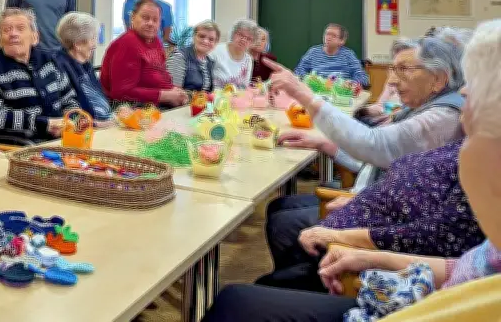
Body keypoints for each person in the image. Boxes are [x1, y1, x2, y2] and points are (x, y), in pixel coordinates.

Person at [199, 19, 501, 322]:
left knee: (245, 290)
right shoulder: (443, 123)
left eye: (405, 69)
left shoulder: (453, 129)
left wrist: (362, 237)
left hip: (385, 277)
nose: (462, 91)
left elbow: (378, 150)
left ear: (439, 79)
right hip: (373, 240)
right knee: (278, 227)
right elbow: (460, 257)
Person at [259, 36, 466, 290]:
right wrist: (325, 144)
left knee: (283, 225)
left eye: (404, 70)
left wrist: (303, 94)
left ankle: (306, 286)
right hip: (371, 206)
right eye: (392, 69)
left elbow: (375, 145)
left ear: (439, 80)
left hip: (378, 224)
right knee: (279, 209)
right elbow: (376, 160)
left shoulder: (442, 118)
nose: (391, 80)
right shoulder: (421, 109)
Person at [0, 8, 80, 143]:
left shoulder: (48, 60)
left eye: (20, 29)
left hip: (61, 141)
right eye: (6, 30)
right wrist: (44, 124)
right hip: (23, 146)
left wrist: (71, 121)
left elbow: (69, 100)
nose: (13, 34)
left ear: (35, 37)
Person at [100, 0, 187, 109]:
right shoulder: (127, 43)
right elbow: (121, 93)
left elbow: (162, 76)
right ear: (132, 18)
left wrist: (174, 91)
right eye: (145, 18)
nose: (150, 23)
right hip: (127, 109)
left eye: (155, 20)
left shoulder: (156, 41)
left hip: (154, 104)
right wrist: (166, 95)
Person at [53, 12, 114, 124]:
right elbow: (70, 111)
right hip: (86, 129)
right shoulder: (59, 66)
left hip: (104, 123)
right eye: (93, 38)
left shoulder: (85, 65)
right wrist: (98, 123)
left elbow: (99, 98)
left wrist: (115, 115)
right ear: (78, 44)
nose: (95, 45)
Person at [294, 23, 369, 86]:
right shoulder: (313, 52)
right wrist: (308, 78)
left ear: (342, 41)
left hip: (340, 94)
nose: (328, 37)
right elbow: (299, 70)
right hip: (317, 93)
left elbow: (362, 77)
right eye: (327, 34)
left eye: (333, 35)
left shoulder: (348, 55)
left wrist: (352, 83)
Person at [165, 20, 220, 92]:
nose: (206, 41)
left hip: (200, 103)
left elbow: (208, 92)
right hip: (182, 103)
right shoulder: (179, 56)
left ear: (215, 43)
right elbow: (172, 93)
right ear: (194, 36)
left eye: (211, 39)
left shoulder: (209, 62)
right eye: (202, 36)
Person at [210, 18, 259, 89]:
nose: (244, 40)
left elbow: (244, 86)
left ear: (252, 43)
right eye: (241, 35)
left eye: (249, 39)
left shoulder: (248, 59)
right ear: (233, 34)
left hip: (236, 98)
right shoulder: (215, 50)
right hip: (213, 97)